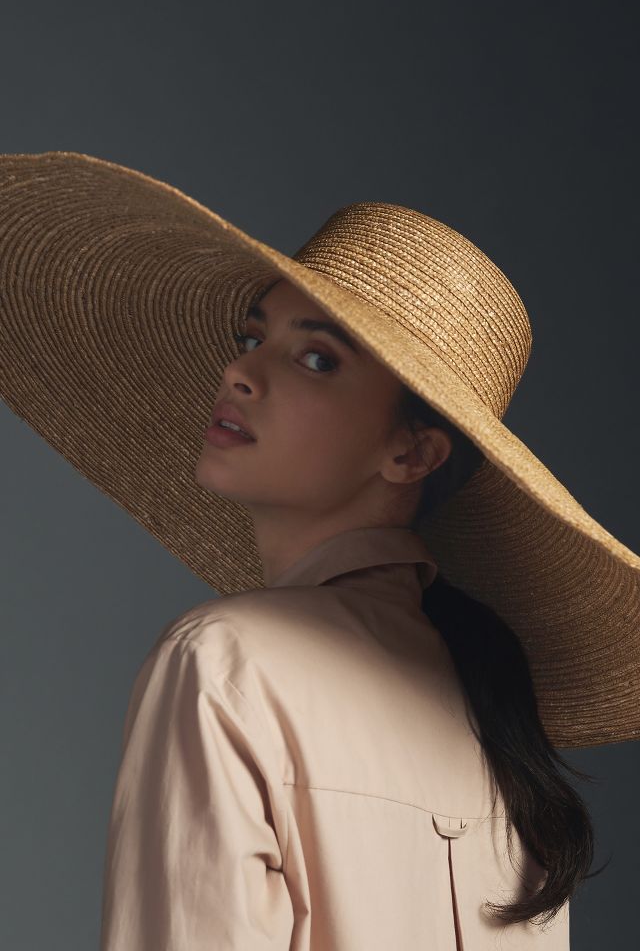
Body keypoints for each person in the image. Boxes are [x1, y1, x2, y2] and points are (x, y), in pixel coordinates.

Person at [1, 151, 638, 950]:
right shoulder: (498, 717)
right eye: (251, 335)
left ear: (412, 455)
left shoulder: (226, 667)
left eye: (314, 358)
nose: (237, 371)